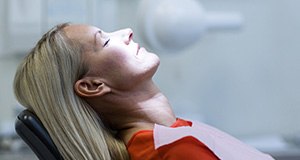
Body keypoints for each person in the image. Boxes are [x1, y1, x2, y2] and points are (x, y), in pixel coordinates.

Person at [13, 23, 274, 160]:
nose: (127, 32)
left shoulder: (172, 136)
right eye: (104, 40)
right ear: (93, 86)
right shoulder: (173, 151)